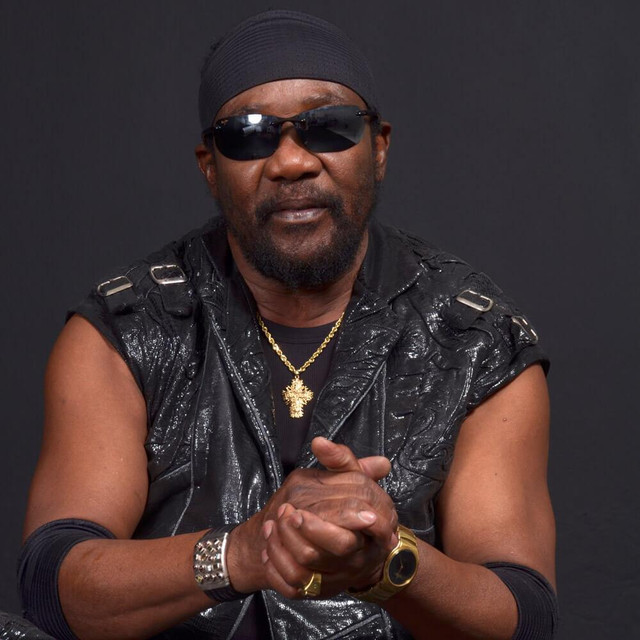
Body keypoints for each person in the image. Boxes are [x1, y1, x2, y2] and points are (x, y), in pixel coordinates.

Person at [18, 9, 558, 640]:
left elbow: (524, 616)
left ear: (378, 147)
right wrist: (242, 552)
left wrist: (388, 562)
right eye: (249, 136)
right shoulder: (125, 333)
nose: (292, 162)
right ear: (209, 167)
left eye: (328, 128)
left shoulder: (475, 342)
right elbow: (52, 586)